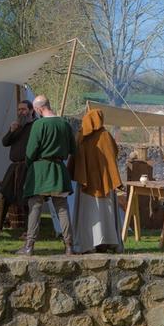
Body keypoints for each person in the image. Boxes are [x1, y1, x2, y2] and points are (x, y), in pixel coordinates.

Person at [18, 95, 76, 255]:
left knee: (35, 207)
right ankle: (69, 246)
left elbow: (31, 151)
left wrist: (30, 167)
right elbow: (73, 149)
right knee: (62, 208)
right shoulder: (64, 124)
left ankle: (29, 247)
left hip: (40, 170)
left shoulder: (39, 125)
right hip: (58, 168)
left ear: (37, 108)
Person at [69, 109, 124, 254]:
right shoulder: (105, 136)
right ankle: (108, 242)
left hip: (87, 183)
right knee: (107, 212)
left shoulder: (81, 136)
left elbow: (74, 157)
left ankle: (88, 244)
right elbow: (114, 154)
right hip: (105, 182)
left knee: (88, 214)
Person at [0, 100, 35, 231]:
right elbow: (5, 142)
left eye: (24, 109)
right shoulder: (17, 126)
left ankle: (27, 230)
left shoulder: (35, 126)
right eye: (19, 109)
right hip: (14, 167)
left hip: (27, 167)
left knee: (25, 199)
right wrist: (11, 131)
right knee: (4, 196)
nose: (21, 112)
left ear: (31, 110)